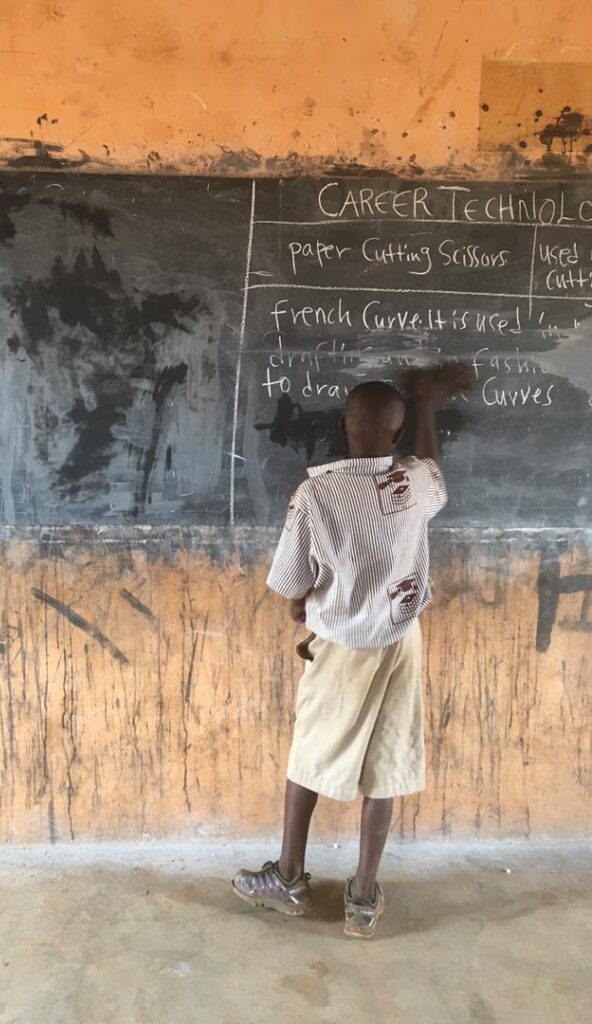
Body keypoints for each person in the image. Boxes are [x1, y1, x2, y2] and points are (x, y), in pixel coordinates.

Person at [232, 365, 470, 939]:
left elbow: (291, 582)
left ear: (342, 426)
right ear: (396, 433)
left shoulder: (315, 494)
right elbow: (434, 469)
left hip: (340, 645)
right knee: (386, 763)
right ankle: (362, 897)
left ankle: (288, 879)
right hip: (399, 640)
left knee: (310, 755)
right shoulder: (414, 481)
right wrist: (428, 406)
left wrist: (299, 609)